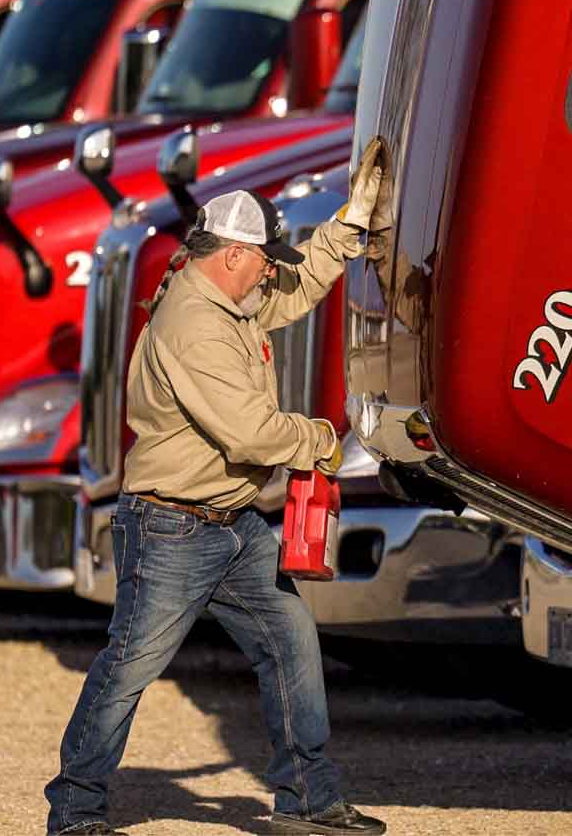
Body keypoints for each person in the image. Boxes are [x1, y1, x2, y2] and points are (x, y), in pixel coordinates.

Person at [45, 143, 390, 836]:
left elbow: (295, 288)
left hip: (227, 522)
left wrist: (348, 225)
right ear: (233, 255)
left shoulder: (220, 299)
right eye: (262, 260)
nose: (268, 274)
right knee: (130, 667)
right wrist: (325, 442)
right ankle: (76, 810)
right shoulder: (198, 325)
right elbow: (251, 435)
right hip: (172, 527)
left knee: (290, 642)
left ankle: (311, 804)